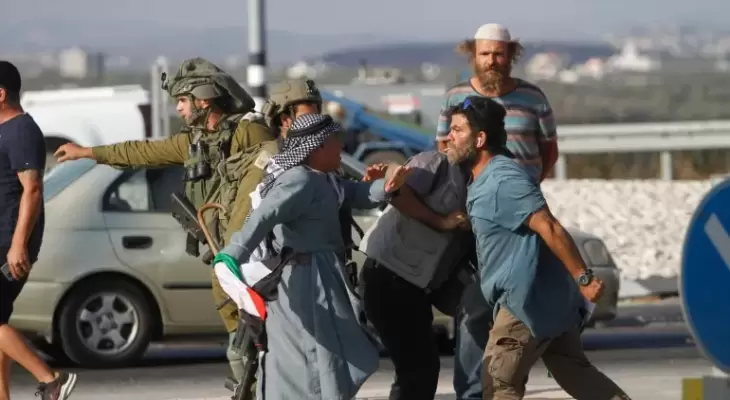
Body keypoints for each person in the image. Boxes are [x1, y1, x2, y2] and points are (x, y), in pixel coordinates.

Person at [54, 57, 274, 384]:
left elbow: (275, 178)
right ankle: (252, 380)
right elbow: (142, 152)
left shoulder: (250, 131)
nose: (179, 109)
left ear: (204, 99)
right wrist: (89, 153)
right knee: (235, 317)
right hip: (227, 252)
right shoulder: (194, 142)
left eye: (183, 100)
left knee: (262, 319)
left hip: (259, 250)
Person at [214, 114, 412, 400]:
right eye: (335, 141)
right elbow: (264, 217)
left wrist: (388, 186)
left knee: (326, 358)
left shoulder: (325, 178)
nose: (341, 147)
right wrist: (233, 255)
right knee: (310, 362)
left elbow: (356, 193)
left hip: (321, 278)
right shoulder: (299, 181)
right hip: (304, 285)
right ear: (317, 147)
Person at [449, 95, 631, 400]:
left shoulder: (503, 179)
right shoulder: (484, 179)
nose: (449, 137)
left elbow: (550, 226)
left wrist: (584, 278)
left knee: (499, 383)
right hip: (548, 301)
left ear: (479, 139)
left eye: (457, 130)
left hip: (524, 305)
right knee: (576, 373)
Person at [436, 23, 560, 399]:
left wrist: (524, 192)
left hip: (522, 219)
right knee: (475, 308)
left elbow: (549, 152)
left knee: (521, 307)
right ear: (473, 55)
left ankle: (506, 384)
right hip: (475, 219)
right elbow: (445, 149)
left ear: (511, 56)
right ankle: (473, 391)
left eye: (499, 54)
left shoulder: (533, 98)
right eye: (485, 54)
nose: (492, 61)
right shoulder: (456, 97)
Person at [357, 147, 477, 400]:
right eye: (453, 129)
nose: (451, 138)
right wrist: (441, 221)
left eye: (457, 130)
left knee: (420, 371)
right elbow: (396, 192)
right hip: (388, 276)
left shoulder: (478, 180)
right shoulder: (436, 163)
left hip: (415, 286)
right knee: (417, 371)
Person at [0, 60, 77, 400]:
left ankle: (51, 379)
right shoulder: (5, 130)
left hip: (8, 241)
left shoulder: (22, 131)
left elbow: (32, 190)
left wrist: (18, 244)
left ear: (1, 94)